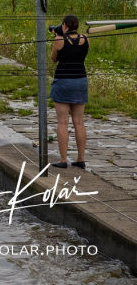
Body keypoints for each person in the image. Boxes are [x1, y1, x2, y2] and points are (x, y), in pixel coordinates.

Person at [50, 14, 89, 170]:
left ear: (64, 25)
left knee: (62, 122)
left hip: (63, 81)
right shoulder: (85, 39)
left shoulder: (59, 40)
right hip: (80, 80)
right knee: (79, 122)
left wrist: (58, 35)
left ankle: (63, 159)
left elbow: (54, 59)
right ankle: (80, 159)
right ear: (77, 26)